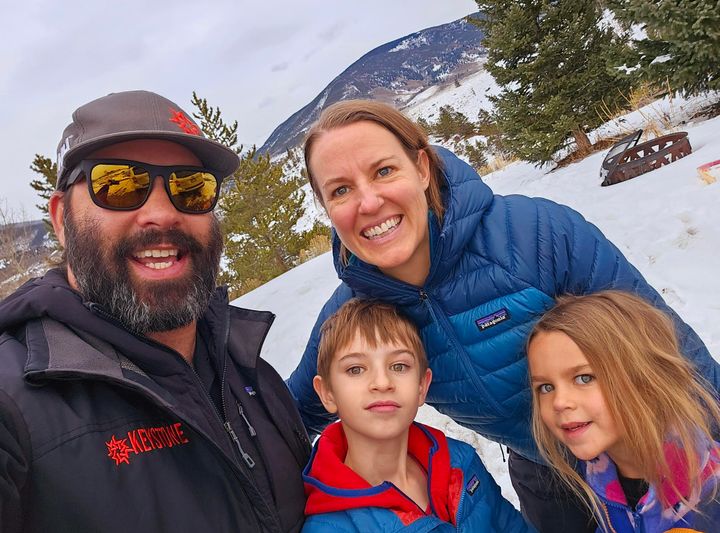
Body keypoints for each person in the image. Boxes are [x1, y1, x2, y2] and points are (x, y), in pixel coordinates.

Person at [285, 99, 720, 533]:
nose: (368, 201)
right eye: (340, 190)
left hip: (644, 453)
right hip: (547, 481)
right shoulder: (360, 318)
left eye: (383, 171)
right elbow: (290, 417)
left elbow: (667, 350)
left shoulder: (533, 236)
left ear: (422, 168)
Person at [0, 90, 310, 533]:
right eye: (120, 185)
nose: (163, 214)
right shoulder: (14, 404)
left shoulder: (248, 372)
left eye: (191, 187)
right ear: (62, 219)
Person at [302, 298, 534, 532]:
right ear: (328, 393)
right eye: (355, 369)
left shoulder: (460, 461)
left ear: (422, 386)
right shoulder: (330, 526)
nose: (382, 383)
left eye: (399, 366)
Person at [527, 290, 720, 532]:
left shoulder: (711, 490)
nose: (559, 401)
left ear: (644, 379)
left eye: (584, 377)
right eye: (546, 387)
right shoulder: (600, 473)